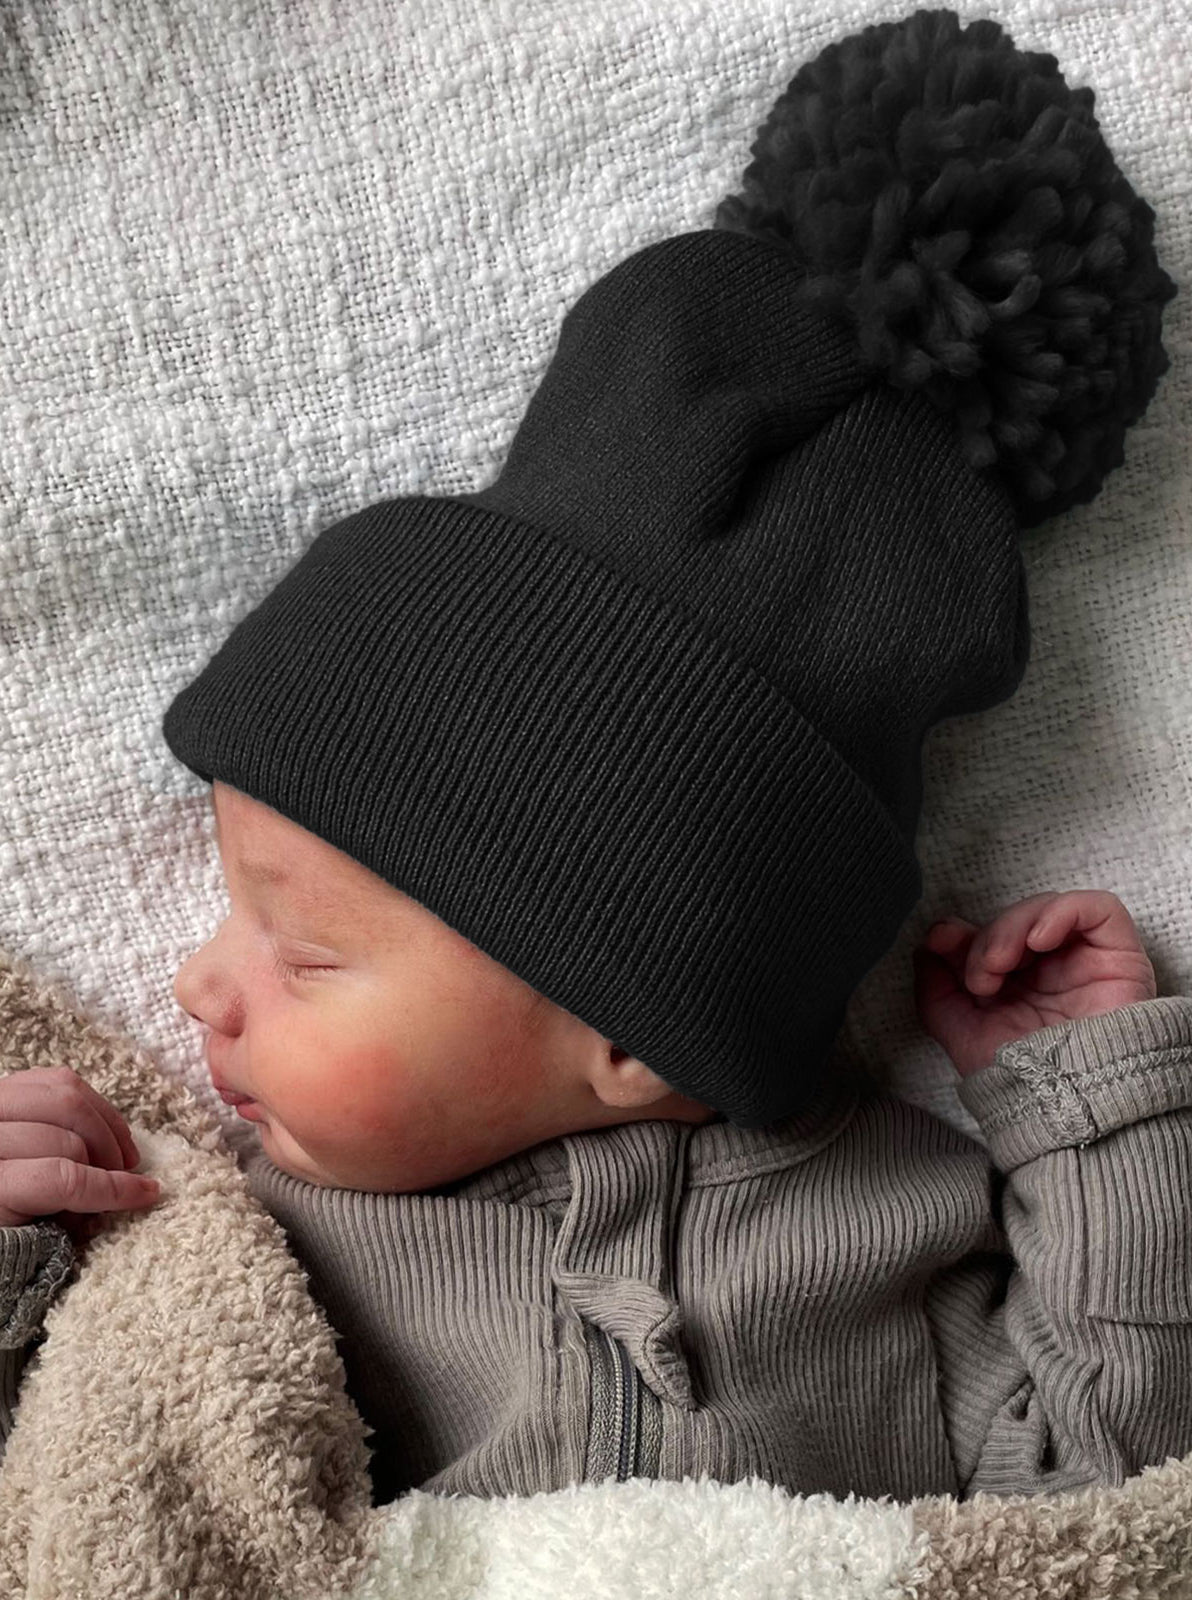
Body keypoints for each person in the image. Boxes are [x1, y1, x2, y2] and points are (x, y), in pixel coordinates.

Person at [1, 8, 1186, 1507]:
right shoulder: (254, 1264)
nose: (196, 987)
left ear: (639, 1035)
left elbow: (1118, 1481)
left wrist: (1094, 1120)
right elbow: (89, 1500)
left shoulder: (898, 1235)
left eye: (305, 956)